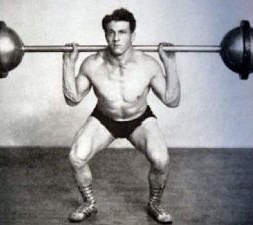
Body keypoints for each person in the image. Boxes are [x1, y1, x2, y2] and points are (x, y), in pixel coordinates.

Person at [62, 8, 180, 224]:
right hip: (104, 119)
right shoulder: (92, 64)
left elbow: (171, 100)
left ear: (132, 35)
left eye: (122, 32)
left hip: (139, 119)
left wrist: (169, 63)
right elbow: (73, 99)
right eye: (111, 32)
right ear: (105, 35)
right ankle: (89, 203)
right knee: (76, 157)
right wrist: (68, 64)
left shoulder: (148, 64)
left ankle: (154, 203)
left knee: (162, 160)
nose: (116, 38)